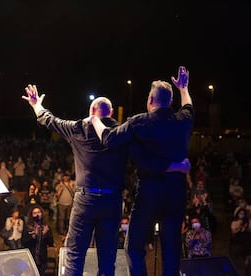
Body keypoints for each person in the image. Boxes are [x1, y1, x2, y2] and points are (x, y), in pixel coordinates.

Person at [22, 83, 189, 275]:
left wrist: (36, 105)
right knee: (107, 260)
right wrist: (176, 165)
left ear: (92, 112)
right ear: (110, 113)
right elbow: (145, 158)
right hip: (112, 202)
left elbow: (49, 120)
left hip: (85, 200)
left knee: (75, 256)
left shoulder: (78, 128)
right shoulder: (123, 132)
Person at [91, 66, 194, 275]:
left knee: (134, 247)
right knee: (172, 249)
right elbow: (189, 107)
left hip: (149, 191)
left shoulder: (139, 122)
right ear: (170, 102)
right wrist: (184, 88)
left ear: (150, 100)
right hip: (176, 192)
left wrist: (94, 120)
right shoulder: (182, 121)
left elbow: (109, 139)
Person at [22, 205, 54, 275]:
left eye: (39, 212)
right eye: (35, 213)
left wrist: (45, 235)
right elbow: (24, 242)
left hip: (42, 258)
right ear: (31, 215)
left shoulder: (46, 227)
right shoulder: (28, 227)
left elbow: (51, 243)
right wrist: (33, 236)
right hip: (31, 257)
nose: (37, 214)